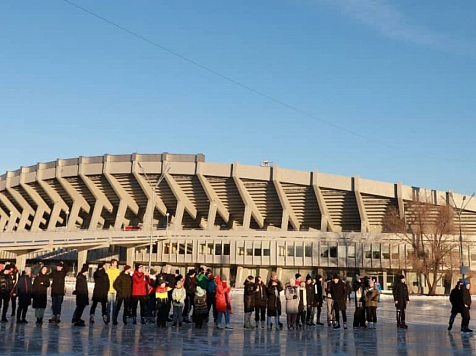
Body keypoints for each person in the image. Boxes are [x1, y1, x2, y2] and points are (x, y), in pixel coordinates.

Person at [106, 259, 120, 324]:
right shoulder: (107, 271)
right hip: (109, 289)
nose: (116, 264)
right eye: (115, 263)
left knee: (115, 305)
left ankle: (114, 318)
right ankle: (108, 318)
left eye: (116, 263)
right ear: (112, 263)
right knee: (108, 304)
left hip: (115, 290)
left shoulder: (118, 271)